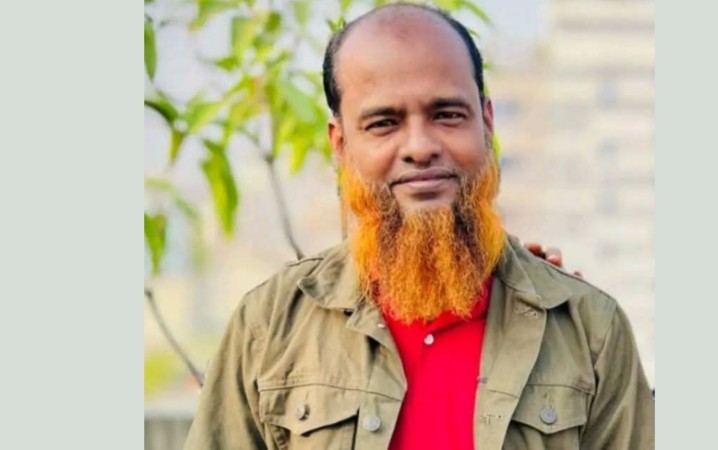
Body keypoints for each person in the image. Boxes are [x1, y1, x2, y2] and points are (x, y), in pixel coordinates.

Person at [183, 3, 654, 449]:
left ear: (487, 123)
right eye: (383, 123)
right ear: (341, 145)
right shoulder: (269, 326)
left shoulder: (589, 330)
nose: (420, 147)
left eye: (447, 115)